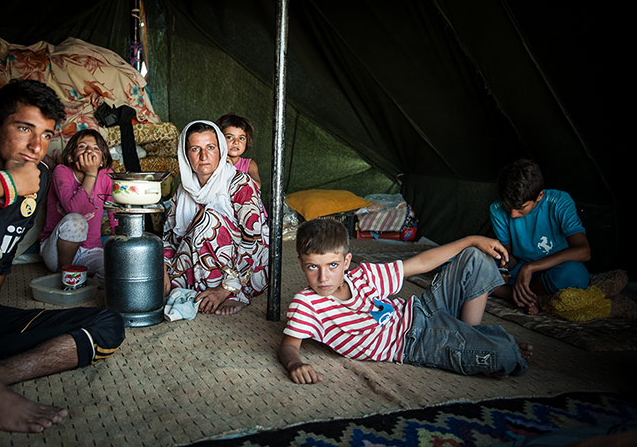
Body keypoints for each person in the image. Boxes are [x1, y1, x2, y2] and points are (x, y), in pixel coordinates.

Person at [0, 79, 125, 433]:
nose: (36, 147)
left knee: (109, 324)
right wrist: (5, 185)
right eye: (24, 128)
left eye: (47, 134)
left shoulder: (34, 188)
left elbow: (1, 264)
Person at [278, 219, 531, 384]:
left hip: (423, 308)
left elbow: (419, 263)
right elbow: (289, 346)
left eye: (332, 265)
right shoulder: (307, 304)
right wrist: (295, 364)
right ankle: (478, 339)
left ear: (346, 261)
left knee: (476, 257)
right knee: (506, 356)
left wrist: (472, 239)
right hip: (414, 342)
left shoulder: (363, 276)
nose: (323, 277)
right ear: (300, 263)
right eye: (313, 267)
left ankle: (472, 335)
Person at [162, 120, 268, 315]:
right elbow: (169, 236)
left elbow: (254, 241)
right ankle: (198, 288)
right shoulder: (183, 190)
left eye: (210, 147)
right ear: (186, 154)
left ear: (221, 150)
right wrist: (163, 268)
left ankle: (230, 293)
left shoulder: (239, 183)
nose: (204, 156)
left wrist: (225, 288)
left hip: (243, 265)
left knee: (208, 220)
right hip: (194, 256)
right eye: (195, 149)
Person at [489, 158, 591, 314]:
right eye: (508, 207)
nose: (513, 215)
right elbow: (508, 255)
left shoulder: (559, 202)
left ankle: (517, 294)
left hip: (554, 268)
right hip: (520, 267)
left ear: (539, 196)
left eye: (521, 208)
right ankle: (521, 296)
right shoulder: (496, 209)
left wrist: (530, 268)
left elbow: (584, 251)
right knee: (470, 263)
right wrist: (503, 270)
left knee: (576, 274)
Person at [40, 129, 117, 285]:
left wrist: (121, 248)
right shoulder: (62, 172)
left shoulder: (107, 176)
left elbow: (114, 213)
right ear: (70, 157)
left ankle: (84, 283)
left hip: (90, 251)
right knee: (76, 221)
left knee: (115, 269)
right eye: (82, 146)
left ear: (101, 160)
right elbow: (75, 210)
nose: (89, 150)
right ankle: (63, 272)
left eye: (96, 148)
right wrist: (90, 174)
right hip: (56, 249)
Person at [215, 113, 261, 187]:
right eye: (229, 137)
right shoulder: (214, 163)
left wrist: (233, 171)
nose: (236, 142)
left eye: (241, 138)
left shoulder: (249, 165)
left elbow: (257, 186)